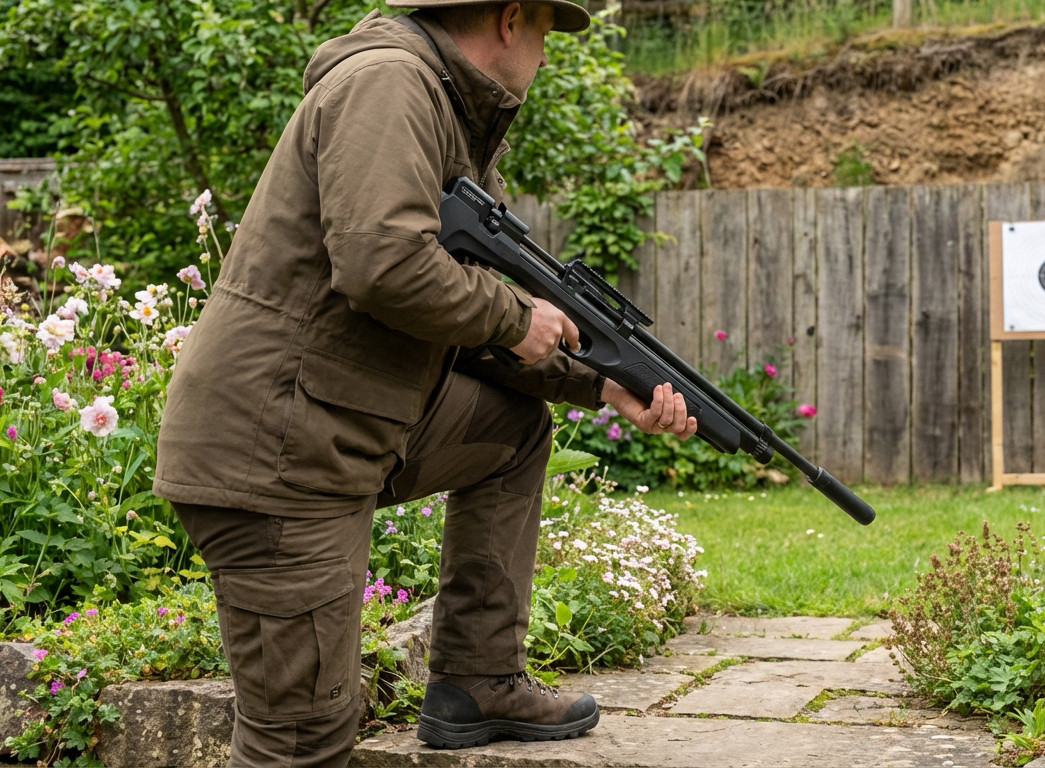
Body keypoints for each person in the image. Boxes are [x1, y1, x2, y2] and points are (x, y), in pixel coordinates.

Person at [153, 1, 697, 765]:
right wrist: (514, 314)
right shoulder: (389, 83)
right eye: (545, 36)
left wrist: (603, 385)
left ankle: (477, 681)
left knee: (508, 431)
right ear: (511, 20)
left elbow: (456, 319)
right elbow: (385, 266)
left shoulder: (442, 106)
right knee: (300, 740)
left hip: (335, 424)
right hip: (275, 454)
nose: (544, 58)